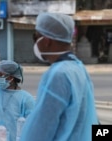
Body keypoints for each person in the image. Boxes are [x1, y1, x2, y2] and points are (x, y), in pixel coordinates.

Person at [20, 12, 99, 141]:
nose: (35, 43)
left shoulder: (58, 75)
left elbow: (41, 127)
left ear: (46, 41)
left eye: (35, 37)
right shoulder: (78, 67)